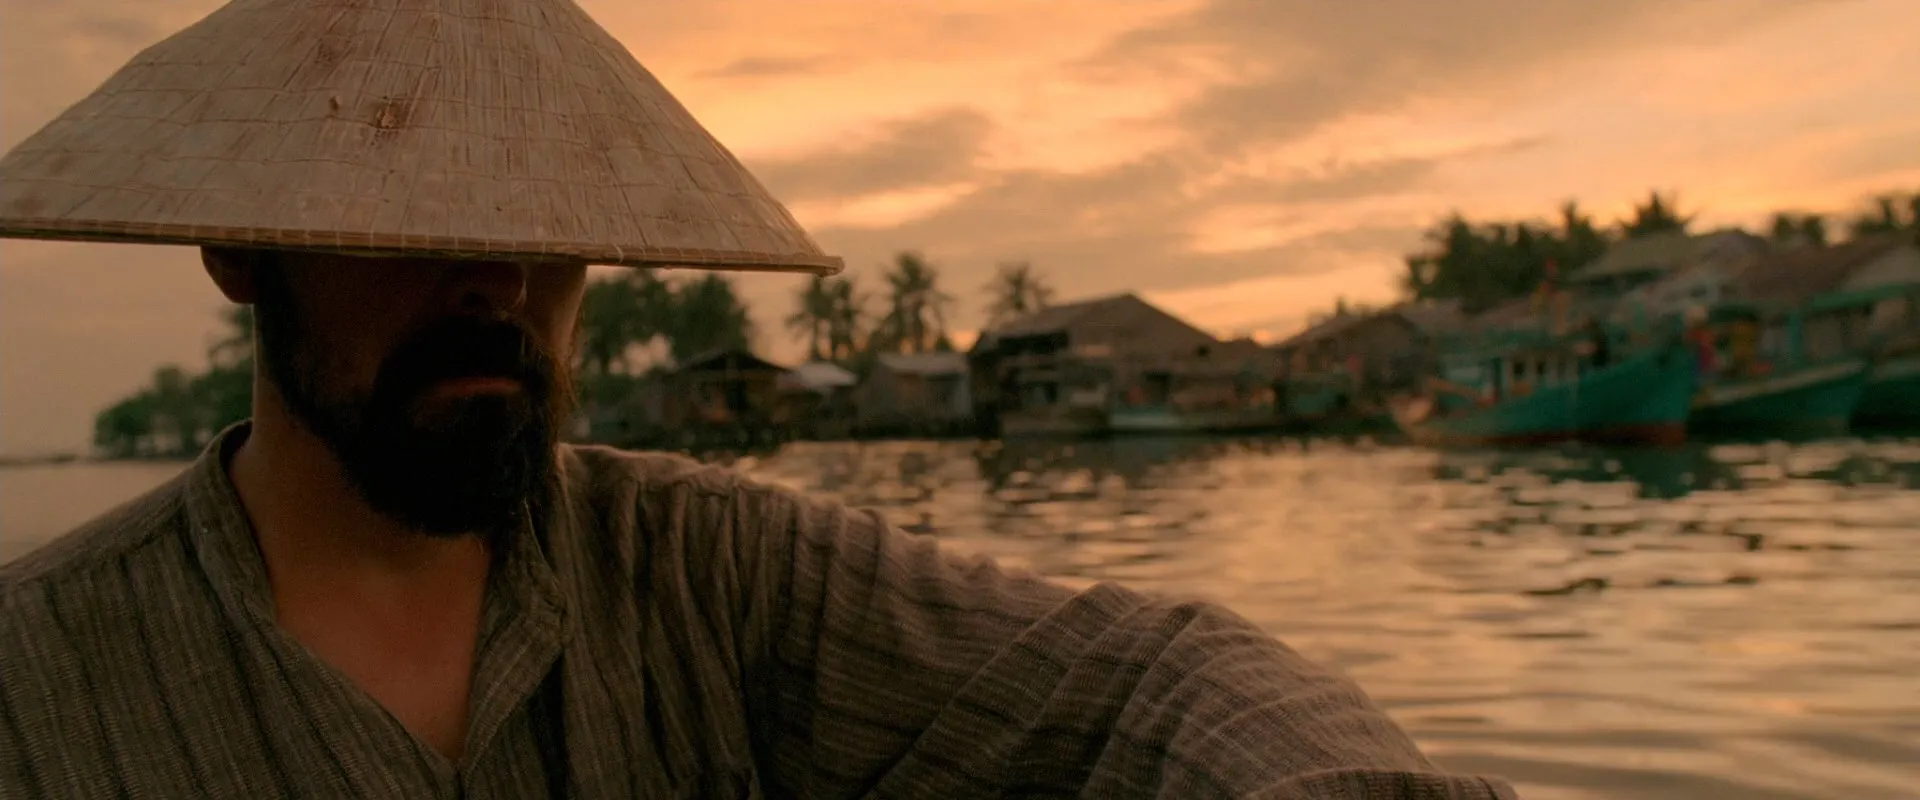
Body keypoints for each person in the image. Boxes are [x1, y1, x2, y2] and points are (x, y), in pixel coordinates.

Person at [0, 1, 1516, 797]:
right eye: (411, 213)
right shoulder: (38, 684)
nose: (496, 278)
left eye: (543, 220)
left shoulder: (714, 578)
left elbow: (1148, 684)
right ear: (241, 246)